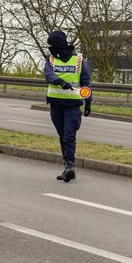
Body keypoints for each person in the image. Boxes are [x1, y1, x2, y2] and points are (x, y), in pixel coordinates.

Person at [44, 30, 93, 183]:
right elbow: (48, 75)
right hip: (56, 104)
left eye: (51, 45)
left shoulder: (79, 60)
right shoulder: (50, 60)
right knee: (62, 136)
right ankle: (67, 165)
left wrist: (89, 100)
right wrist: (60, 82)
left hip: (73, 105)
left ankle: (70, 166)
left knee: (69, 136)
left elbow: (86, 82)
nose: (50, 49)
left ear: (58, 45)